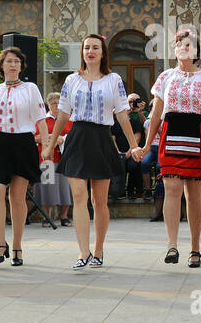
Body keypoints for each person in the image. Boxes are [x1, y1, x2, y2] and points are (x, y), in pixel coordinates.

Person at [43, 34, 140, 269]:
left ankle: (98, 250)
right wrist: (50, 144)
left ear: (103, 52)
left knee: (99, 201)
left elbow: (122, 115)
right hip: (77, 137)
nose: (90, 51)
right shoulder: (72, 80)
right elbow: (63, 114)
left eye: (95, 47)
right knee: (79, 196)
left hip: (101, 138)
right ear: (82, 52)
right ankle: (82, 252)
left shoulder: (113, 79)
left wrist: (134, 145)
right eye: (87, 47)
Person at [135, 29, 201, 268]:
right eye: (179, 44)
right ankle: (172, 245)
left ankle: (195, 248)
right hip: (171, 132)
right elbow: (155, 116)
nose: (183, 48)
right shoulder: (166, 77)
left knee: (194, 194)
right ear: (174, 50)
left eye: (188, 45)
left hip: (196, 132)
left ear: (196, 51)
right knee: (171, 188)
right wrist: (145, 144)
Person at [0, 47, 49, 267]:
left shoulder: (30, 89)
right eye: (9, 61)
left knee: (18, 197)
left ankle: (17, 245)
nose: (13, 64)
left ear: (21, 66)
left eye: (17, 61)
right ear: (1, 66)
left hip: (23, 142)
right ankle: (0, 244)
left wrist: (46, 147)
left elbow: (41, 120)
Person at [33, 91, 73, 226]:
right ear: (48, 105)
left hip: (64, 159)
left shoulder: (68, 119)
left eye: (58, 103)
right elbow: (34, 137)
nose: (56, 106)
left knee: (65, 187)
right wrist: (51, 137)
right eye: (53, 103)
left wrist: (62, 139)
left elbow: (73, 137)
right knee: (47, 187)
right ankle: (46, 216)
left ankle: (64, 216)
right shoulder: (42, 120)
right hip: (46, 158)